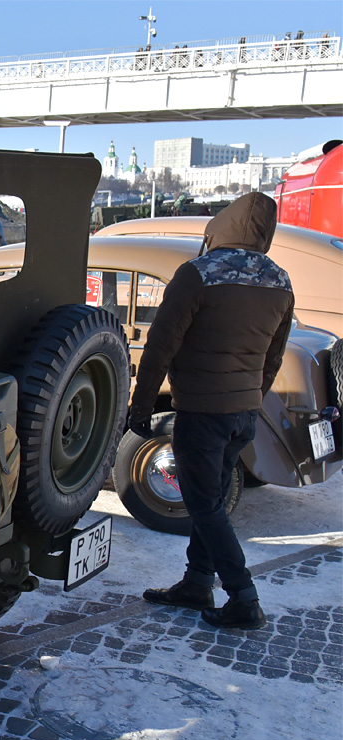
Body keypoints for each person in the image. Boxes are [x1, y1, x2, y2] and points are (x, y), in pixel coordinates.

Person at [133, 193, 294, 630]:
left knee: (204, 505)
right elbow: (274, 357)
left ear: (221, 226)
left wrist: (142, 404)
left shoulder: (198, 275)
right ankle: (197, 581)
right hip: (243, 411)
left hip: (202, 410)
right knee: (213, 500)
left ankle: (243, 596)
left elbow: (161, 345)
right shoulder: (279, 280)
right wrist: (251, 396)